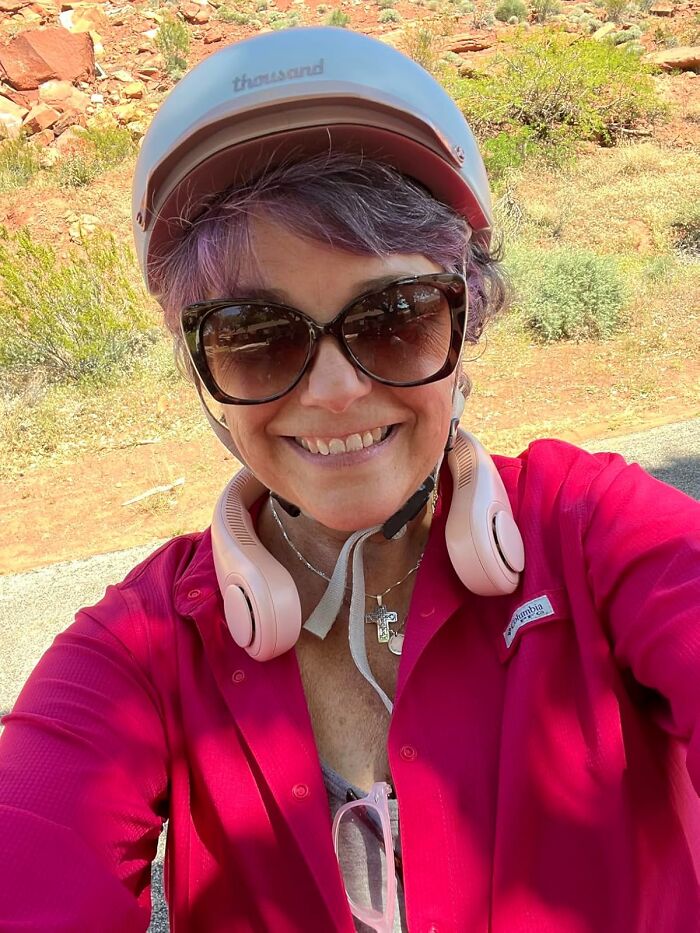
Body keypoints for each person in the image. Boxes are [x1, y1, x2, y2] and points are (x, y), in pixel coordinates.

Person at [0, 26, 698, 933]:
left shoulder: (593, 531)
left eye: (394, 316)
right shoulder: (143, 648)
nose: (335, 390)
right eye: (256, 333)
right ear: (199, 365)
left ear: (468, 317)